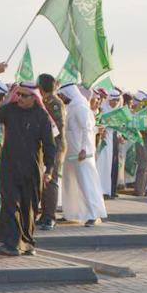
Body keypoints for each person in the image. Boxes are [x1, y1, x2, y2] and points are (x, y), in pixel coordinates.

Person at [0, 82, 56, 256]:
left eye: (24, 95)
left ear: (34, 98)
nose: (20, 98)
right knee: (10, 203)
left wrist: (49, 169)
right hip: (10, 166)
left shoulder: (42, 116)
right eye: (19, 94)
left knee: (28, 206)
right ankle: (12, 243)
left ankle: (27, 243)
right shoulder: (10, 110)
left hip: (31, 167)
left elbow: (49, 145)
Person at [57, 83, 107, 226]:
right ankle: (71, 214)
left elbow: (87, 129)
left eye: (62, 95)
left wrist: (84, 149)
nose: (61, 98)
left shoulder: (80, 107)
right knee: (69, 183)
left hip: (81, 154)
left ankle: (93, 214)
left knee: (87, 183)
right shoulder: (72, 107)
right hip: (70, 152)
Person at [36, 74, 65, 231]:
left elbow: (57, 128)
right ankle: (44, 213)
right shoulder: (46, 101)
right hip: (45, 145)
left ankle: (50, 216)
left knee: (51, 180)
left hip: (55, 145)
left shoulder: (54, 102)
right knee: (44, 181)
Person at [96, 90, 124, 199]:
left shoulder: (118, 111)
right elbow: (99, 123)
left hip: (115, 139)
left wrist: (121, 136)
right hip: (105, 139)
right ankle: (103, 190)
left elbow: (120, 126)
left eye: (117, 100)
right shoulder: (103, 110)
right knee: (104, 165)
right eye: (114, 100)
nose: (116, 102)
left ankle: (112, 189)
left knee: (114, 164)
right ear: (109, 100)